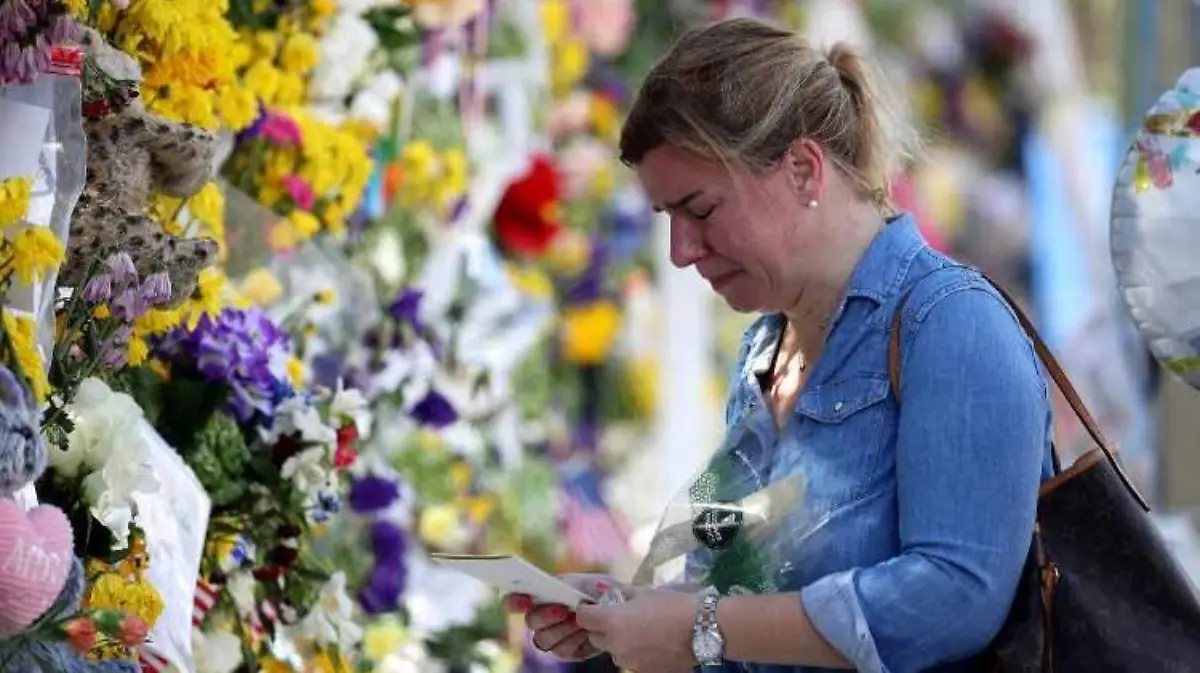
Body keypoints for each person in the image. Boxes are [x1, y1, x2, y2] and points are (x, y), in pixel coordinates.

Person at [508, 17, 1053, 673]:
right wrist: (628, 612)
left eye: (700, 210)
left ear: (802, 169)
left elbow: (955, 597)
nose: (681, 252)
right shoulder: (765, 348)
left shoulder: (951, 322)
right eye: (667, 221)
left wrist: (697, 627)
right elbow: (726, 564)